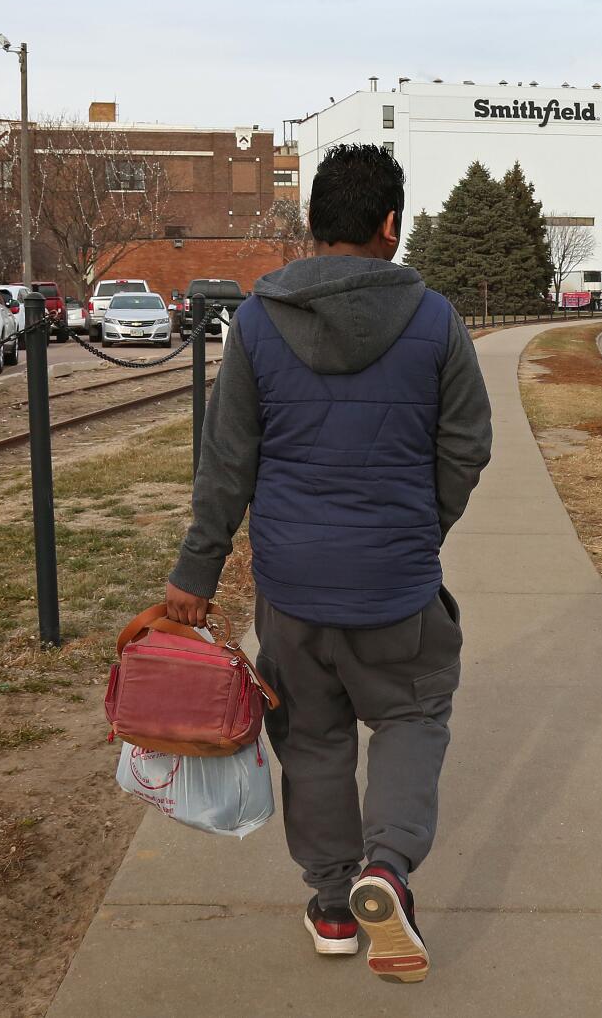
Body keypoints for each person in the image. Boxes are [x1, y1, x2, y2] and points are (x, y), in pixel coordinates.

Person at [162, 143, 492, 984]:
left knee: (310, 736)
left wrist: (196, 575)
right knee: (413, 715)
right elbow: (467, 447)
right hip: (397, 585)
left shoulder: (260, 321)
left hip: (292, 588)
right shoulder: (437, 320)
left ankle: (335, 904)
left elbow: (225, 459)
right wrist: (423, 527)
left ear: (313, 222)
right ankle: (388, 870)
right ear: (390, 224)